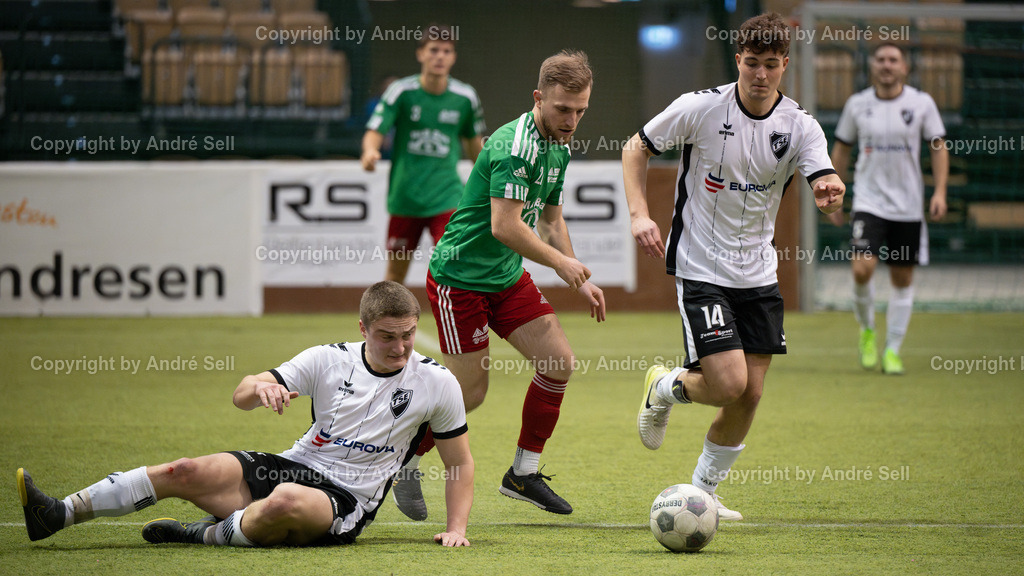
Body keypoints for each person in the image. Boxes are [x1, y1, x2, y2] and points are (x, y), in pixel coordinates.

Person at [17, 281, 475, 547]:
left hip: (347, 500)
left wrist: (455, 530)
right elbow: (240, 394)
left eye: (408, 335)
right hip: (296, 465)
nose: (400, 347)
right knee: (184, 469)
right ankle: (59, 513)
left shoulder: (436, 382)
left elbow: (459, 462)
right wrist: (264, 387)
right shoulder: (327, 358)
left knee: (285, 501)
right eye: (387, 336)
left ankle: (202, 535)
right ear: (362, 329)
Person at [624, 13, 844, 521]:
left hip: (758, 273)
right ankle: (663, 386)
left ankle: (705, 492)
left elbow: (823, 176)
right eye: (751, 63)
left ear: (785, 65)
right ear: (739, 60)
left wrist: (830, 191)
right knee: (727, 384)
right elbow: (636, 146)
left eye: (771, 64)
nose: (760, 74)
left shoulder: (800, 125)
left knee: (751, 393)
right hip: (701, 266)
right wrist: (639, 214)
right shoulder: (700, 108)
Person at [390, 49, 605, 520]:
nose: (572, 121)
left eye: (581, 110)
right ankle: (403, 459)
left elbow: (550, 217)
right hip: (459, 278)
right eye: (563, 109)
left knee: (558, 363)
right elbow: (505, 226)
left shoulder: (559, 146)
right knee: (469, 394)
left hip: (505, 276)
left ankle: (522, 475)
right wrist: (561, 267)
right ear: (538, 98)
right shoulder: (513, 144)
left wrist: (576, 274)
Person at [827, 42, 949, 375]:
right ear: (872, 66)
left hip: (909, 206)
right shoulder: (857, 104)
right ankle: (867, 331)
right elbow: (841, 150)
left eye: (893, 60)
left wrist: (939, 191)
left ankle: (893, 349)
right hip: (869, 202)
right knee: (861, 270)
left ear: (904, 68)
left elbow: (938, 147)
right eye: (880, 59)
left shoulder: (921, 104)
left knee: (902, 277)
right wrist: (835, 194)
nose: (887, 65)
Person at [361, 25, 486, 285]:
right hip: (406, 198)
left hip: (447, 198)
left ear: (453, 57)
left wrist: (490, 179)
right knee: (395, 276)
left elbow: (475, 146)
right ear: (420, 54)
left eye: (446, 51)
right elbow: (376, 129)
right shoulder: (401, 92)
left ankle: (456, 324)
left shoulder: (465, 97)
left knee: (453, 266)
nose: (440, 56)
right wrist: (370, 151)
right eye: (434, 50)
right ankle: (389, 326)